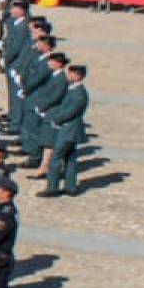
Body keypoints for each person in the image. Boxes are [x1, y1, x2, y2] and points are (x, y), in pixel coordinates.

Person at [39, 62, 90, 197]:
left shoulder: (79, 94)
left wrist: (56, 120)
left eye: (70, 73)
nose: (68, 75)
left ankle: (52, 188)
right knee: (70, 158)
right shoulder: (73, 90)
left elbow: (70, 112)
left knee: (56, 158)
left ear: (78, 76)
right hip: (69, 129)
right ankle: (70, 187)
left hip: (68, 130)